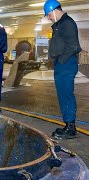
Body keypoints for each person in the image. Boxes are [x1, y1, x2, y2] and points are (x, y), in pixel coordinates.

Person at [44, 0, 82, 139]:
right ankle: (68, 124)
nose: (48, 17)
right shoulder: (60, 24)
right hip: (61, 64)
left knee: (66, 94)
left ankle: (71, 128)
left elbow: (72, 46)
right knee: (62, 95)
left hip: (66, 63)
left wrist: (61, 61)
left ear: (54, 10)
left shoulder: (67, 23)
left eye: (48, 14)